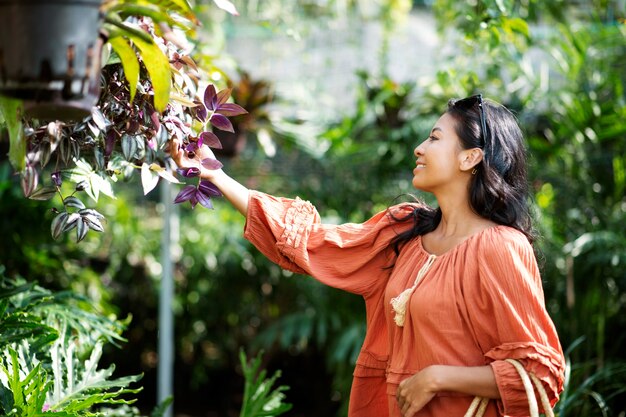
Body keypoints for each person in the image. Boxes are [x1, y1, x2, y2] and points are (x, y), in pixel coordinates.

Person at [170, 95, 565, 417]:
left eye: (435, 138)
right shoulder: (404, 232)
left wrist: (439, 377)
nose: (420, 147)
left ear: (470, 158)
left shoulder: (500, 248)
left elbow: (541, 375)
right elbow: (311, 242)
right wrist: (214, 174)